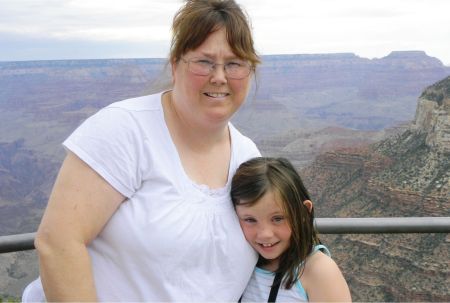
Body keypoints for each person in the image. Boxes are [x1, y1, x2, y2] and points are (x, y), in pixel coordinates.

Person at [22, 0, 262, 301]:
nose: (219, 76)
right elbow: (58, 242)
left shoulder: (248, 157)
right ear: (176, 65)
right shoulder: (125, 130)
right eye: (204, 62)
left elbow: (277, 245)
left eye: (234, 63)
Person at [231, 157, 352, 302]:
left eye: (278, 218)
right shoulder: (239, 261)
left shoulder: (319, 271)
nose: (265, 234)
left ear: (303, 213)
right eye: (250, 220)